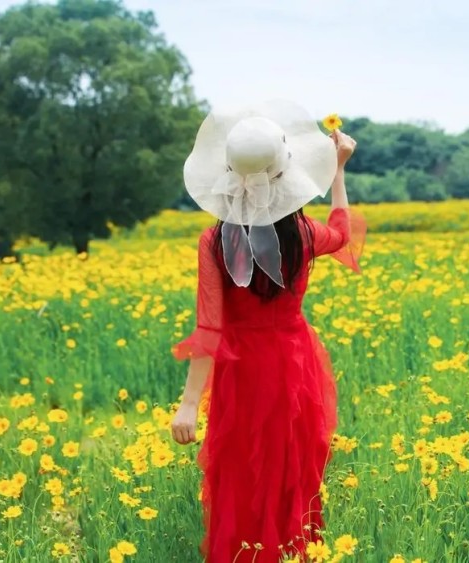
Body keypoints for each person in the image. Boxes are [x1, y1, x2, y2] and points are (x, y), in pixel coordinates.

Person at [168, 99, 366, 562]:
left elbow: (209, 325)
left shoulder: (215, 240)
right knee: (293, 471)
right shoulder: (302, 232)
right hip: (294, 364)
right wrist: (337, 170)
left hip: (241, 371)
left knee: (241, 474)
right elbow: (342, 233)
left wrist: (190, 405)